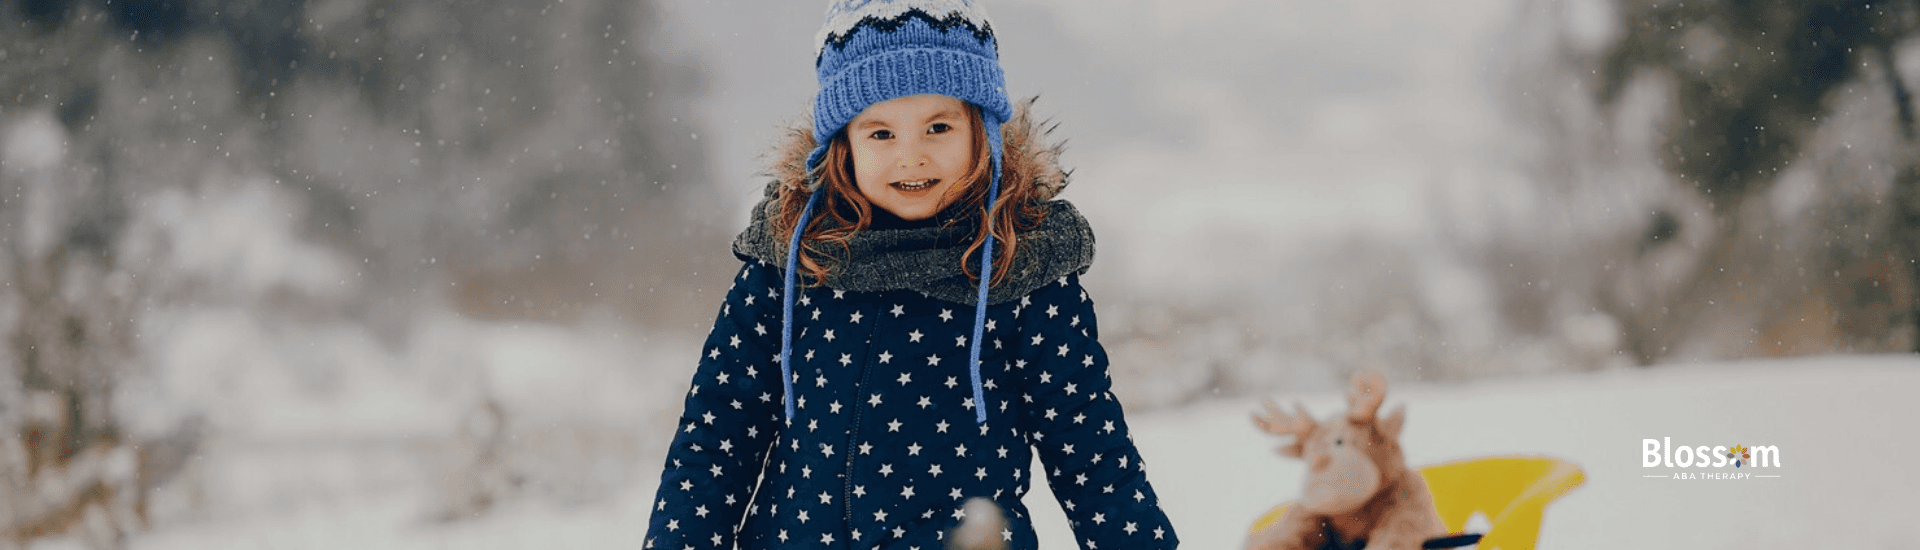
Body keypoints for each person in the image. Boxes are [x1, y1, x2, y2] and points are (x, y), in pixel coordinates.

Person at [643, 1, 1179, 548]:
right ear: (843, 143)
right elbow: (715, 441)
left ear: (982, 131)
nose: (911, 157)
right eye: (881, 134)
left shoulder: (1023, 271)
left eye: (938, 127)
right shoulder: (791, 265)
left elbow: (1093, 460)